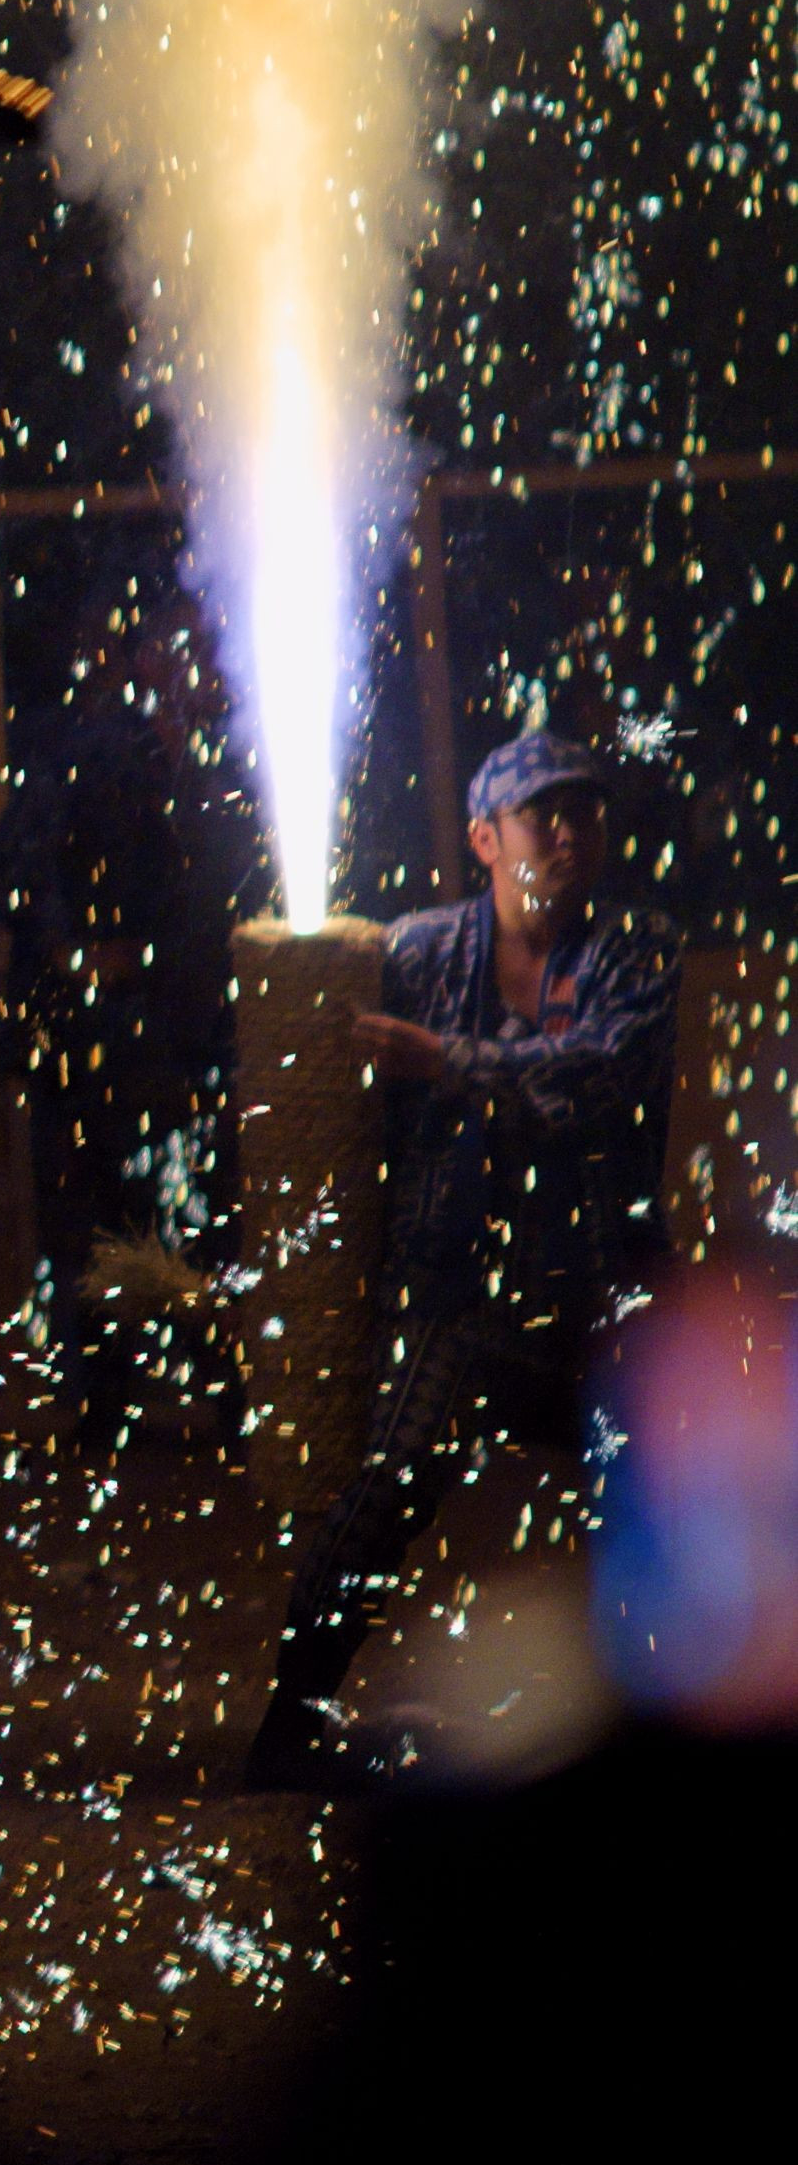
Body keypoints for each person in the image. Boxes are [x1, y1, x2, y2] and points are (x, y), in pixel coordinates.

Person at [244, 732, 681, 1788]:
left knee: (673, 1503)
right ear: (485, 839)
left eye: (584, 813)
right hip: (461, 1296)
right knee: (380, 1493)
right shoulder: (415, 954)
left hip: (601, 1299)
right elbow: (315, 1092)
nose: (569, 834)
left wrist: (447, 1060)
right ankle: (289, 1724)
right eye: (544, 816)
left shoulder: (637, 949)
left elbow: (596, 1077)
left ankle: (675, 1728)